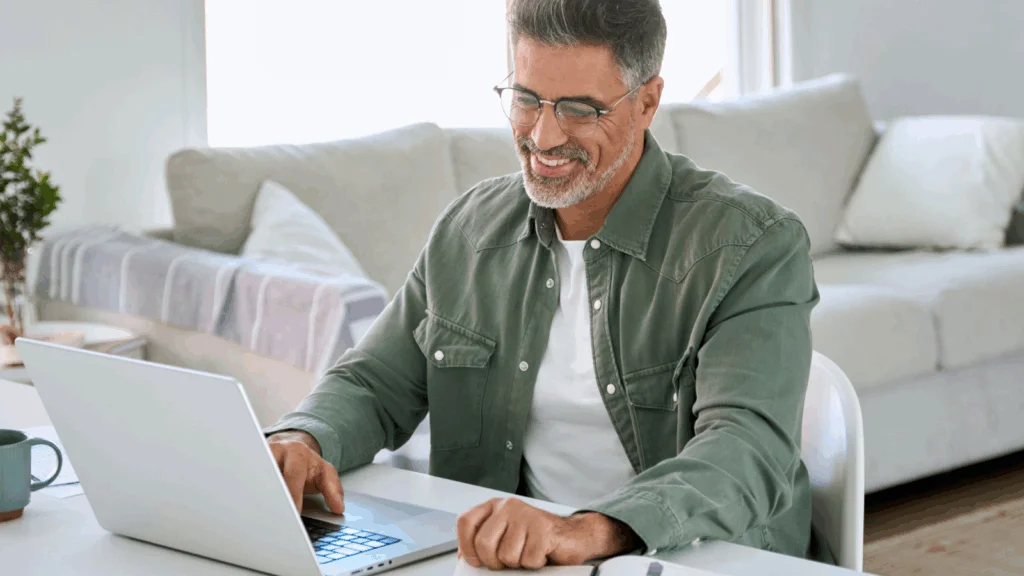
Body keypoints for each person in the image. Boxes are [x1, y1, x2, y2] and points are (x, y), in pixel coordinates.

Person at [264, 0, 828, 569]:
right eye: (527, 99)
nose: (544, 134)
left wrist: (587, 529)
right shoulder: (470, 231)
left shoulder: (753, 244)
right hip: (517, 560)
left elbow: (745, 450)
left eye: (581, 109)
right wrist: (304, 438)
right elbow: (374, 383)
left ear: (647, 102)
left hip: (696, 558)